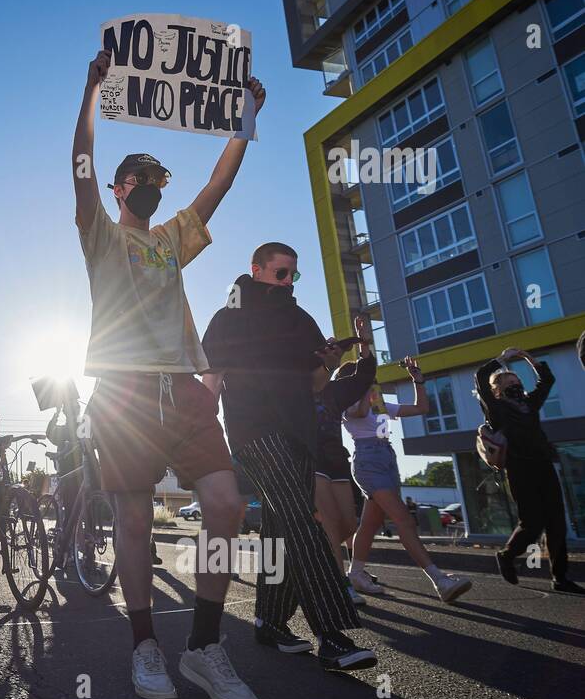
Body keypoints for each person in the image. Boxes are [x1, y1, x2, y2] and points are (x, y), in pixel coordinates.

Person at [72, 49, 264, 699]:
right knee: (133, 521)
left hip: (182, 386)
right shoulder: (99, 232)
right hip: (122, 391)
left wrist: (246, 115)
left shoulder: (173, 236)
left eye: (157, 176)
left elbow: (219, 183)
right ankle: (145, 645)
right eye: (139, 176)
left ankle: (205, 647)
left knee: (225, 504)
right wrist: (92, 90)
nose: (150, 182)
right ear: (119, 189)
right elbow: (80, 167)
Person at [202, 242, 377, 673]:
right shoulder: (228, 318)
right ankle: (332, 635)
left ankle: (270, 620)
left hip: (298, 434)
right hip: (252, 432)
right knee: (303, 519)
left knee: (282, 526)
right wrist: (200, 433)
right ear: (256, 269)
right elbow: (212, 379)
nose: (287, 282)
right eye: (280, 273)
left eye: (293, 276)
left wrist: (331, 364)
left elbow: (316, 385)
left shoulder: (301, 320)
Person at [343, 361, 472, 603]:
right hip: (368, 462)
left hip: (387, 459)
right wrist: (365, 383)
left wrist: (418, 381)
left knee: (371, 523)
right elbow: (359, 412)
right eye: (365, 377)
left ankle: (356, 573)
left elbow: (421, 408)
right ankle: (439, 580)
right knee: (404, 519)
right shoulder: (348, 405)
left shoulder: (379, 406)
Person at [478, 349, 582, 593]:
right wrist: (501, 359)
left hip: (543, 464)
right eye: (509, 384)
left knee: (557, 523)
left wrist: (528, 359)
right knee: (532, 523)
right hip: (519, 468)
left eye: (517, 382)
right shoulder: (496, 409)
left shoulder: (528, 404)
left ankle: (560, 578)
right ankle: (507, 555)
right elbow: (481, 377)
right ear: (496, 391)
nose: (515, 386)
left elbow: (547, 381)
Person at [312, 315, 376, 606]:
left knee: (347, 524)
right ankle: (339, 585)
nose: (331, 352)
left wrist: (363, 340)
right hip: (309, 459)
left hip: (336, 458)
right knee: (327, 522)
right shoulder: (297, 386)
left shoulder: (336, 391)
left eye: (334, 350)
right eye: (325, 350)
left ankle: (314, 555)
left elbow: (364, 377)